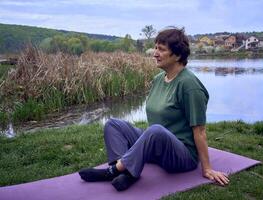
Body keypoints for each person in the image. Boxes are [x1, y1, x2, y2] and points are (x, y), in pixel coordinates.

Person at [79, 27, 229, 191]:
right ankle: (127, 174)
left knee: (156, 130)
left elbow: (200, 131)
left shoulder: (190, 86)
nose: (155, 53)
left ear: (178, 55)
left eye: (161, 49)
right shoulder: (158, 79)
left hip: (181, 155)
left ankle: (112, 171)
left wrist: (207, 168)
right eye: (156, 48)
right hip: (156, 146)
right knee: (113, 124)